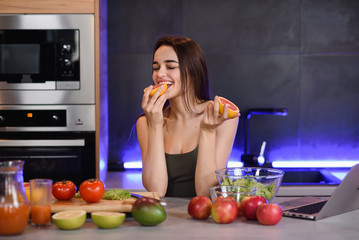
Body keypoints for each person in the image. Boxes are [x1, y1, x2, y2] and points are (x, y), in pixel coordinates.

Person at [136, 36, 239, 197]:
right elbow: (156, 190)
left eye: (170, 66)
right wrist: (155, 125)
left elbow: (207, 192)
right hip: (162, 218)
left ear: (193, 71)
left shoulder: (221, 118)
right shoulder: (145, 123)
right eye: (156, 68)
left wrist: (207, 131)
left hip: (205, 218)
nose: (160, 74)